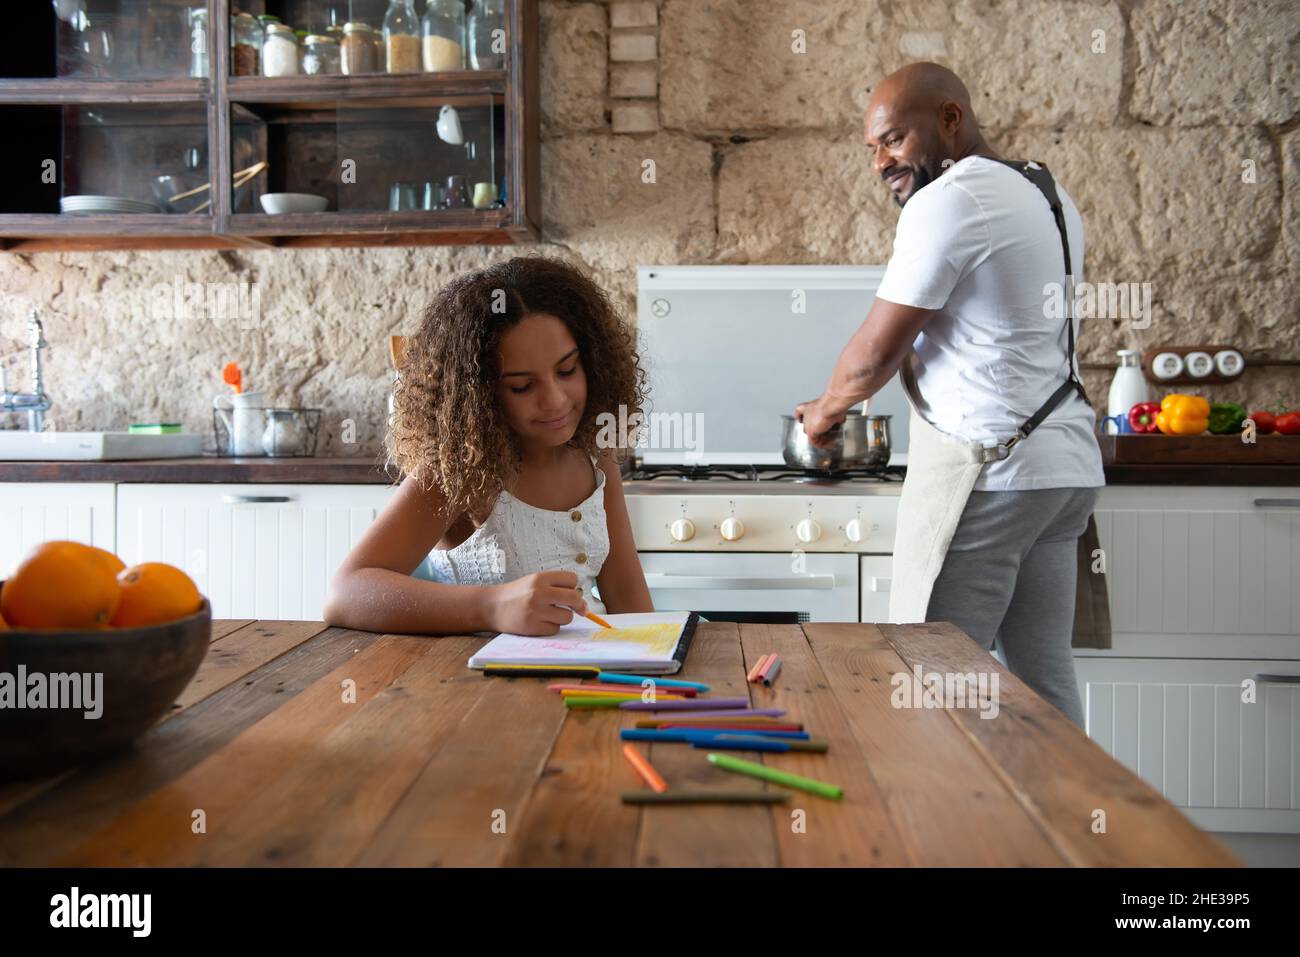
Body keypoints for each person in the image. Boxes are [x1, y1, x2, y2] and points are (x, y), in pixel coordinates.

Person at [797, 63, 1104, 726]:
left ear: (949, 119)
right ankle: (1059, 828)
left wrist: (822, 413)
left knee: (930, 681)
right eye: (872, 148)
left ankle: (938, 830)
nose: (881, 162)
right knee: (1042, 681)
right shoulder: (1046, 192)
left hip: (991, 478)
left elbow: (876, 353)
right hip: (1061, 474)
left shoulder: (951, 200)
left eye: (895, 140)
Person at [325, 256, 654, 636]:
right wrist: (491, 607)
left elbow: (631, 603)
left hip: (586, 676)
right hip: (484, 687)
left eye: (567, 371)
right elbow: (345, 593)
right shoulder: (459, 470)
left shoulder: (596, 456)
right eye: (521, 386)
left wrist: (653, 668)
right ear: (479, 394)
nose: (556, 400)